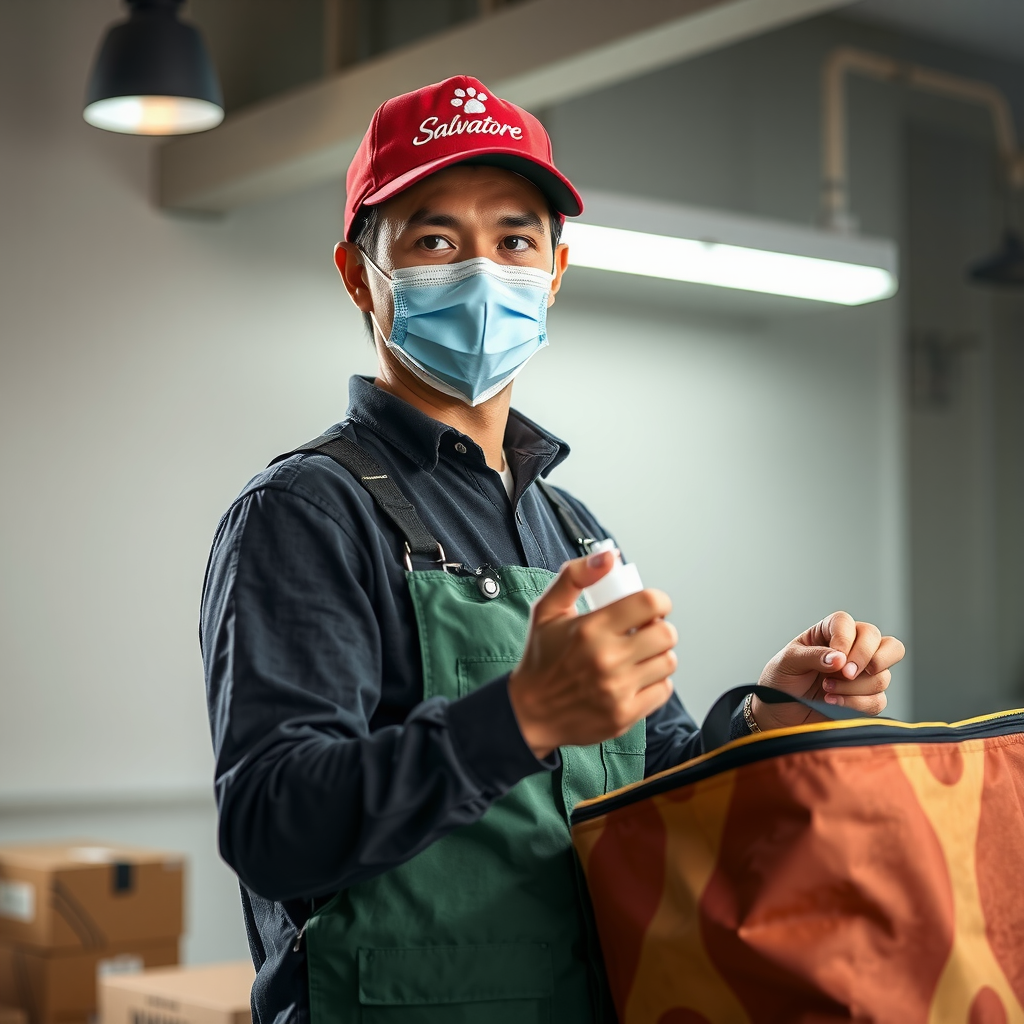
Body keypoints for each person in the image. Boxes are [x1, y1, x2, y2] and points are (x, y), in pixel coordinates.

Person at [200, 75, 905, 1023]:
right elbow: (273, 823)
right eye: (435, 238)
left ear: (556, 274)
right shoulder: (307, 513)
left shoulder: (572, 527)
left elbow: (653, 783)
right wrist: (520, 715)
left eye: (515, 238)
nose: (483, 269)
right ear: (358, 274)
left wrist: (773, 712)